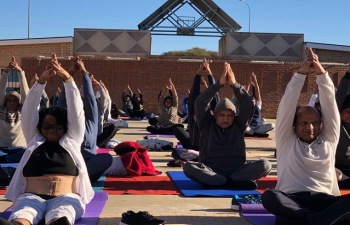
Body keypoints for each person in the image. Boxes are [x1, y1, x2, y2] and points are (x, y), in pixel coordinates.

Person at [1, 53, 94, 225]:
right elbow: (29, 109)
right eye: (47, 127)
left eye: (57, 127)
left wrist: (66, 77)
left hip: (66, 197)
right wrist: (41, 80)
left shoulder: (72, 139)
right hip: (30, 197)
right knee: (23, 214)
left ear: (65, 127)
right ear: (40, 127)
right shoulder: (34, 139)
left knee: (63, 214)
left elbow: (76, 110)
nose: (51, 130)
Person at [261, 48, 350, 225]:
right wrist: (301, 73)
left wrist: (321, 73)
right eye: (304, 123)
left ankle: (311, 221)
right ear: (294, 124)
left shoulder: (329, 140)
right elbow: (287, 103)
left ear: (320, 123)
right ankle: (319, 221)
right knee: (270, 197)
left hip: (325, 202)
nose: (310, 127)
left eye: (315, 123)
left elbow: (331, 104)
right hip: (293, 201)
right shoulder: (287, 140)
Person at [182, 62, 271, 190]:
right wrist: (219, 85)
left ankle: (222, 182)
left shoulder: (239, 125)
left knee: (266, 165)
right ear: (215, 115)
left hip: (237, 171)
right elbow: (200, 102)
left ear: (234, 116)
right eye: (222, 115)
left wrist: (235, 85)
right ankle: (231, 183)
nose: (225, 119)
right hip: (211, 170)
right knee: (188, 167)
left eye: (229, 116)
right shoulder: (207, 123)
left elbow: (247, 104)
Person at [57, 57, 112, 183]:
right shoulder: (66, 119)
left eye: (81, 105)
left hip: (87, 163)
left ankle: (78, 179)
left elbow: (90, 98)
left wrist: (84, 72)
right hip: (69, 162)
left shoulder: (91, 120)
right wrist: (69, 74)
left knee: (107, 158)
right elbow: (62, 101)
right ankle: (74, 178)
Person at [0, 57, 29, 164]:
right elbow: (1, 90)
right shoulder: (1, 110)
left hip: (19, 150)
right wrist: (6, 72)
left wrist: (21, 73)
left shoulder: (23, 112)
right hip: (1, 149)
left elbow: (26, 95)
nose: (11, 103)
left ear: (19, 103)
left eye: (15, 101)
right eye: (9, 100)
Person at [245, 73, 275, 138]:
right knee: (243, 127)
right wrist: (249, 82)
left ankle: (253, 133)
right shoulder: (246, 107)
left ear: (255, 102)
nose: (252, 103)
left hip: (258, 127)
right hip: (249, 127)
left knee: (272, 125)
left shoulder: (258, 106)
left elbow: (258, 93)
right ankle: (256, 134)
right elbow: (245, 94)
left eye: (253, 102)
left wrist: (255, 81)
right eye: (251, 102)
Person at [335, 64, 350, 188]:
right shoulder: (336, 125)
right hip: (337, 169)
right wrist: (348, 76)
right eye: (347, 112)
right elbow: (338, 99)